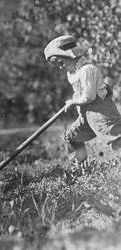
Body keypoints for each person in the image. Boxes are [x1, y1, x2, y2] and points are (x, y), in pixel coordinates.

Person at [44, 35, 121, 167]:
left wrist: (73, 102)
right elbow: (80, 93)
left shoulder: (87, 70)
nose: (60, 67)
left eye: (60, 62)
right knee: (71, 137)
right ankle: (82, 167)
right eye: (57, 65)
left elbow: (89, 96)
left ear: (69, 55)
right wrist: (75, 100)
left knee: (115, 139)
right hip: (86, 116)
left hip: (101, 114)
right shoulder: (73, 73)